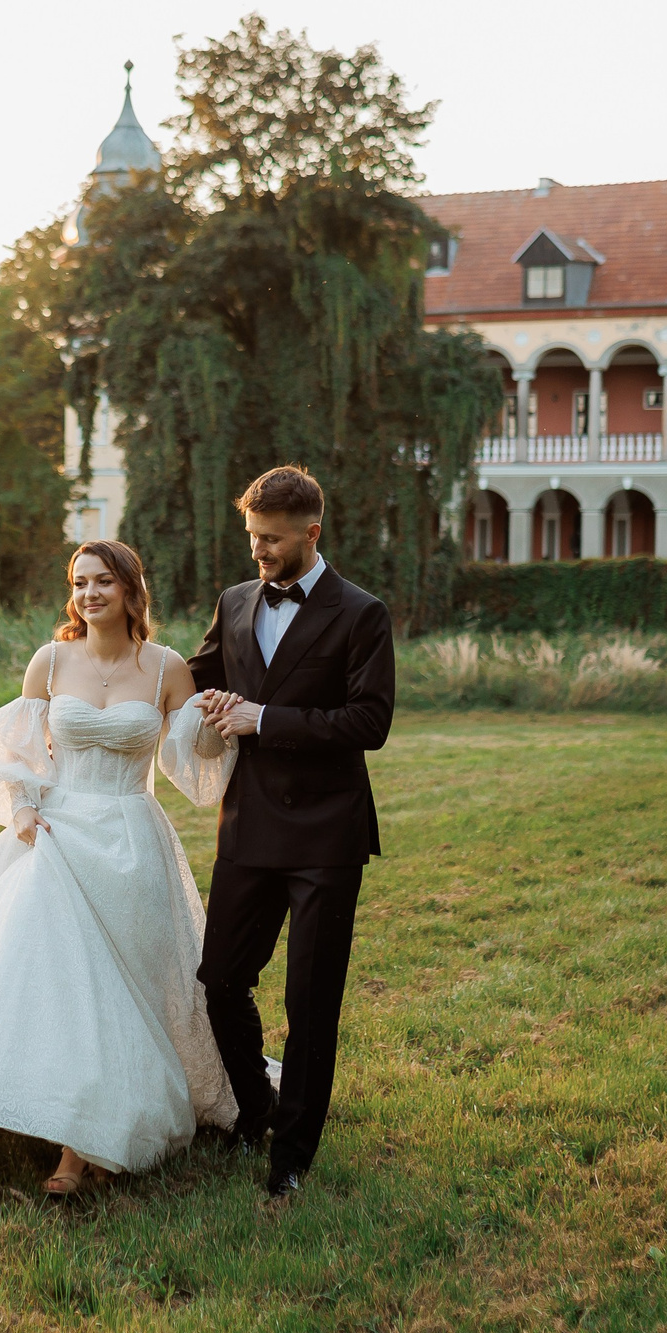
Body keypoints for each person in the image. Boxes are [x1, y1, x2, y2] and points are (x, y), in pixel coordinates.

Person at [0, 540, 240, 1195]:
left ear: (130, 588)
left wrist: (213, 722)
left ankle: (84, 1141)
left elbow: (193, 761)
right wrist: (21, 810)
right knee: (53, 980)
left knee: (124, 989)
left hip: (130, 836)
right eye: (80, 582)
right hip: (60, 834)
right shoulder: (50, 660)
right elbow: (18, 755)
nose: (89, 593)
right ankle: (28, 1108)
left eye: (103, 581)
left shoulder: (164, 668)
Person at [187, 465, 395, 1200]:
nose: (258, 553)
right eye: (252, 538)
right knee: (218, 981)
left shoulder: (362, 612)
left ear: (312, 532)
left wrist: (263, 718)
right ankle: (256, 1106)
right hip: (247, 823)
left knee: (309, 1001)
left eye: (272, 540)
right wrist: (108, 676)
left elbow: (370, 722)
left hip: (325, 835)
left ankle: (292, 1153)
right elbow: (193, 673)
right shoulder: (236, 599)